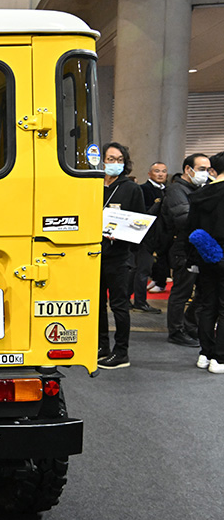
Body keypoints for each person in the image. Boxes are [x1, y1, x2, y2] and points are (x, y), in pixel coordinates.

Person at [97, 142, 145, 370]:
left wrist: (122, 234)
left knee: (119, 305)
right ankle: (101, 346)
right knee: (97, 304)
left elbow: (139, 224)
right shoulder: (93, 184)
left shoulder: (131, 189)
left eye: (118, 160)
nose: (114, 163)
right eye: (110, 158)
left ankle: (121, 352)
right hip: (94, 254)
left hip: (119, 255)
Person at [163, 154, 211, 347]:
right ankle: (175, 330)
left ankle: (190, 324)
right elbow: (183, 218)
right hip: (182, 248)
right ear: (188, 169)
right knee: (181, 291)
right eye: (201, 169)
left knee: (202, 290)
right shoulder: (176, 189)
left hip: (198, 247)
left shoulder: (199, 189)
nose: (205, 174)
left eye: (208, 170)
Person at [186, 151, 224, 374]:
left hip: (205, 255)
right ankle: (220, 358)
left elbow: (190, 229)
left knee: (207, 305)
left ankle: (205, 353)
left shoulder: (200, 194)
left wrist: (192, 258)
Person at [130, 162, 168, 313]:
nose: (160, 174)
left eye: (164, 171)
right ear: (149, 173)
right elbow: (142, 214)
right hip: (145, 236)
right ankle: (139, 301)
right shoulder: (143, 189)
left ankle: (128, 298)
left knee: (143, 269)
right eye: (157, 171)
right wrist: (157, 205)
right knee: (142, 270)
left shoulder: (167, 190)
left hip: (161, 236)